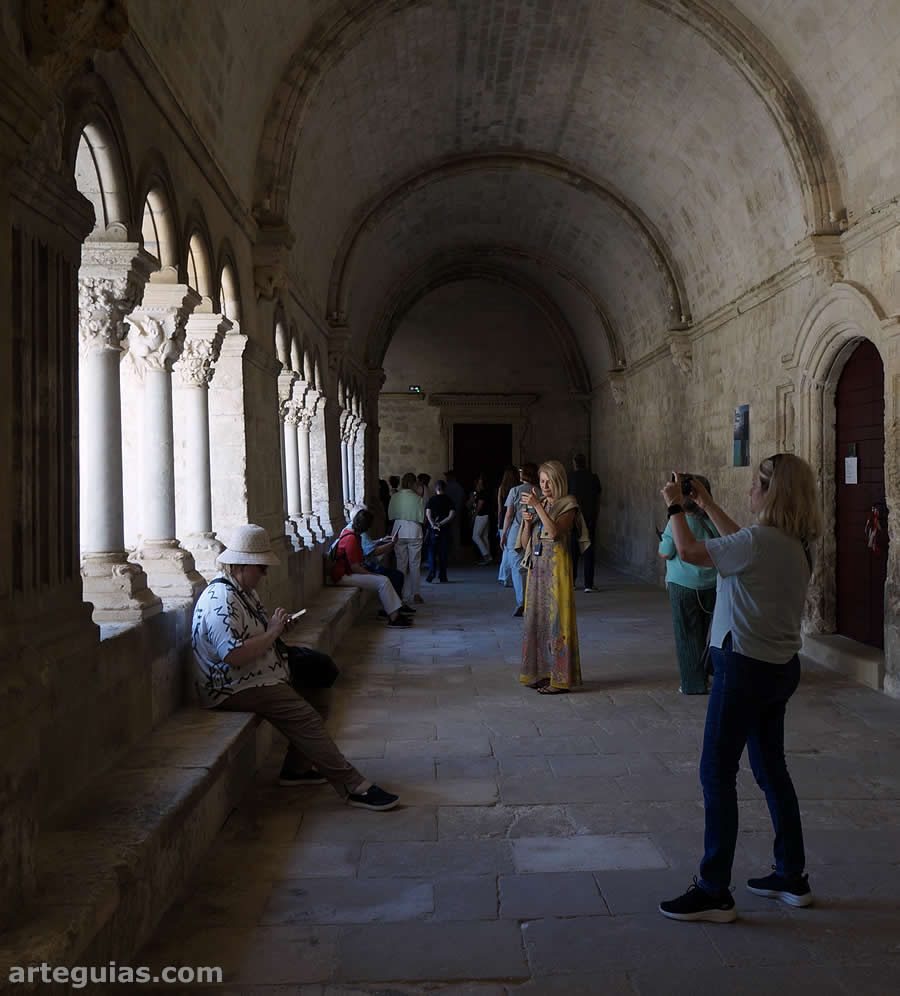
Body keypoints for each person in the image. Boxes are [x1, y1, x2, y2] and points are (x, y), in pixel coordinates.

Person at [657, 455, 822, 923]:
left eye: (756, 484)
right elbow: (738, 543)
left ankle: (713, 890)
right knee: (772, 771)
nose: (749, 491)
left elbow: (689, 553)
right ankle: (793, 876)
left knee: (716, 773)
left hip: (743, 669)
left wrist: (676, 509)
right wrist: (704, 503)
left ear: (772, 492)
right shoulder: (794, 544)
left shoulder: (756, 542)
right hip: (778, 669)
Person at [191, 524, 399, 810]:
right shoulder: (221, 601)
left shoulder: (242, 590)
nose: (265, 574)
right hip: (230, 686)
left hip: (254, 673)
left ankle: (296, 770)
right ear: (242, 564)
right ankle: (354, 786)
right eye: (261, 568)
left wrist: (278, 628)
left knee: (319, 692)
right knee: (306, 717)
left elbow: (252, 637)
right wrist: (273, 632)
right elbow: (234, 656)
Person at [517, 460, 590, 693]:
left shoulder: (568, 504)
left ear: (559, 481)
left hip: (557, 568)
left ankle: (560, 679)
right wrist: (527, 525)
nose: (545, 486)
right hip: (537, 569)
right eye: (541, 481)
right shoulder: (541, 505)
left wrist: (538, 506)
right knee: (537, 621)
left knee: (557, 621)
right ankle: (541, 673)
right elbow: (526, 544)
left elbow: (555, 532)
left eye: (549, 481)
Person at [657, 474, 719, 694]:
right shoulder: (713, 520)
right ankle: (704, 676)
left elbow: (666, 552)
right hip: (711, 586)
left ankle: (693, 684)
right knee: (703, 634)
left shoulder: (676, 522)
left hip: (682, 586)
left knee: (686, 635)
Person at [333, 509, 413, 627]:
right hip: (342, 575)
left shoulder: (350, 532)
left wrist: (381, 540)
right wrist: (373, 575)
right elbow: (355, 567)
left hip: (347, 571)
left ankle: (394, 614)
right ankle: (394, 618)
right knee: (383, 581)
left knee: (384, 580)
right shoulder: (351, 539)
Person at [500, 463, 538, 616]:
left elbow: (509, 515)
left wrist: (503, 534)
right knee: (534, 567)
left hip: (517, 531)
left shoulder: (515, 490)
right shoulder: (539, 491)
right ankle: (534, 601)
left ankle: (522, 601)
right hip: (535, 531)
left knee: (518, 567)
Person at [388, 472, 425, 604]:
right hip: (414, 530)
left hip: (399, 530)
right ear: (413, 483)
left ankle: (400, 595)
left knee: (401, 564)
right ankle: (416, 594)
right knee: (415, 564)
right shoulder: (418, 498)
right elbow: (422, 518)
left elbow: (391, 515)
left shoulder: (395, 497)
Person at [567, 453, 602, 592]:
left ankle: (572, 582)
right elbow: (598, 499)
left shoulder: (570, 478)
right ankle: (588, 584)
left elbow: (566, 498)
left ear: (574, 464)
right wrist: (596, 515)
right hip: (589, 517)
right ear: (585, 463)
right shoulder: (593, 478)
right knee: (588, 550)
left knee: (573, 550)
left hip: (574, 517)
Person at [425, 480, 455, 583]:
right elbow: (451, 515)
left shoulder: (432, 499)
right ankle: (443, 576)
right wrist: (441, 524)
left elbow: (428, 514)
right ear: (444, 489)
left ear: (436, 488)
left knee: (432, 552)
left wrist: (433, 524)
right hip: (445, 530)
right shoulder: (449, 500)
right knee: (443, 553)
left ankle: (432, 572)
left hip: (433, 531)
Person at [496, 465, 519, 585]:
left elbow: (500, 508)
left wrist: (499, 522)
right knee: (510, 550)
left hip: (504, 520)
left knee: (505, 549)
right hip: (514, 520)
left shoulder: (502, 488)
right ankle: (505, 576)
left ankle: (504, 576)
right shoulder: (517, 488)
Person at [469, 474, 492, 565]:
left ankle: (486, 555)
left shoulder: (482, 493)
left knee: (475, 536)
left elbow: (479, 506)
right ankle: (488, 556)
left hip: (481, 516)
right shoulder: (481, 492)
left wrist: (473, 517)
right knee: (484, 537)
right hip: (486, 516)